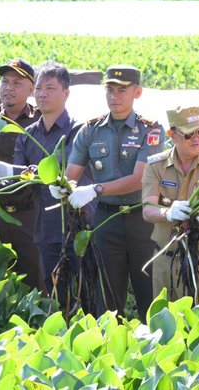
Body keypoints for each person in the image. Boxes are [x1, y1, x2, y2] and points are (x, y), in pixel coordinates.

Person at [52, 65, 164, 321]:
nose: (115, 96)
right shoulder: (91, 129)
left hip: (141, 220)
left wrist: (96, 188)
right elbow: (72, 174)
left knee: (149, 292)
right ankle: (110, 350)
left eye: (122, 90)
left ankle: (155, 347)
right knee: (108, 297)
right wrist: (61, 187)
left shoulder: (151, 130)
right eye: (110, 90)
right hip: (105, 221)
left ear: (137, 92)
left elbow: (140, 179)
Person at [0, 61, 88, 296]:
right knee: (49, 295)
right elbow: (20, 184)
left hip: (73, 227)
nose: (42, 94)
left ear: (66, 93)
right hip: (43, 228)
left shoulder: (77, 130)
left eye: (50, 88)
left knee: (81, 294)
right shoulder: (27, 135)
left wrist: (12, 171)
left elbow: (59, 174)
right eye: (39, 88)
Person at [141, 106, 199, 303]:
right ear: (172, 135)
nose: (196, 138)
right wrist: (168, 213)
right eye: (188, 135)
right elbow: (148, 210)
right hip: (166, 258)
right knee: (166, 323)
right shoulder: (156, 166)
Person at [0, 58, 44, 290]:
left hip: (29, 216)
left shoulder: (40, 120)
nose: (9, 88)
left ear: (31, 90)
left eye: (17, 83)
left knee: (35, 281)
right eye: (5, 81)